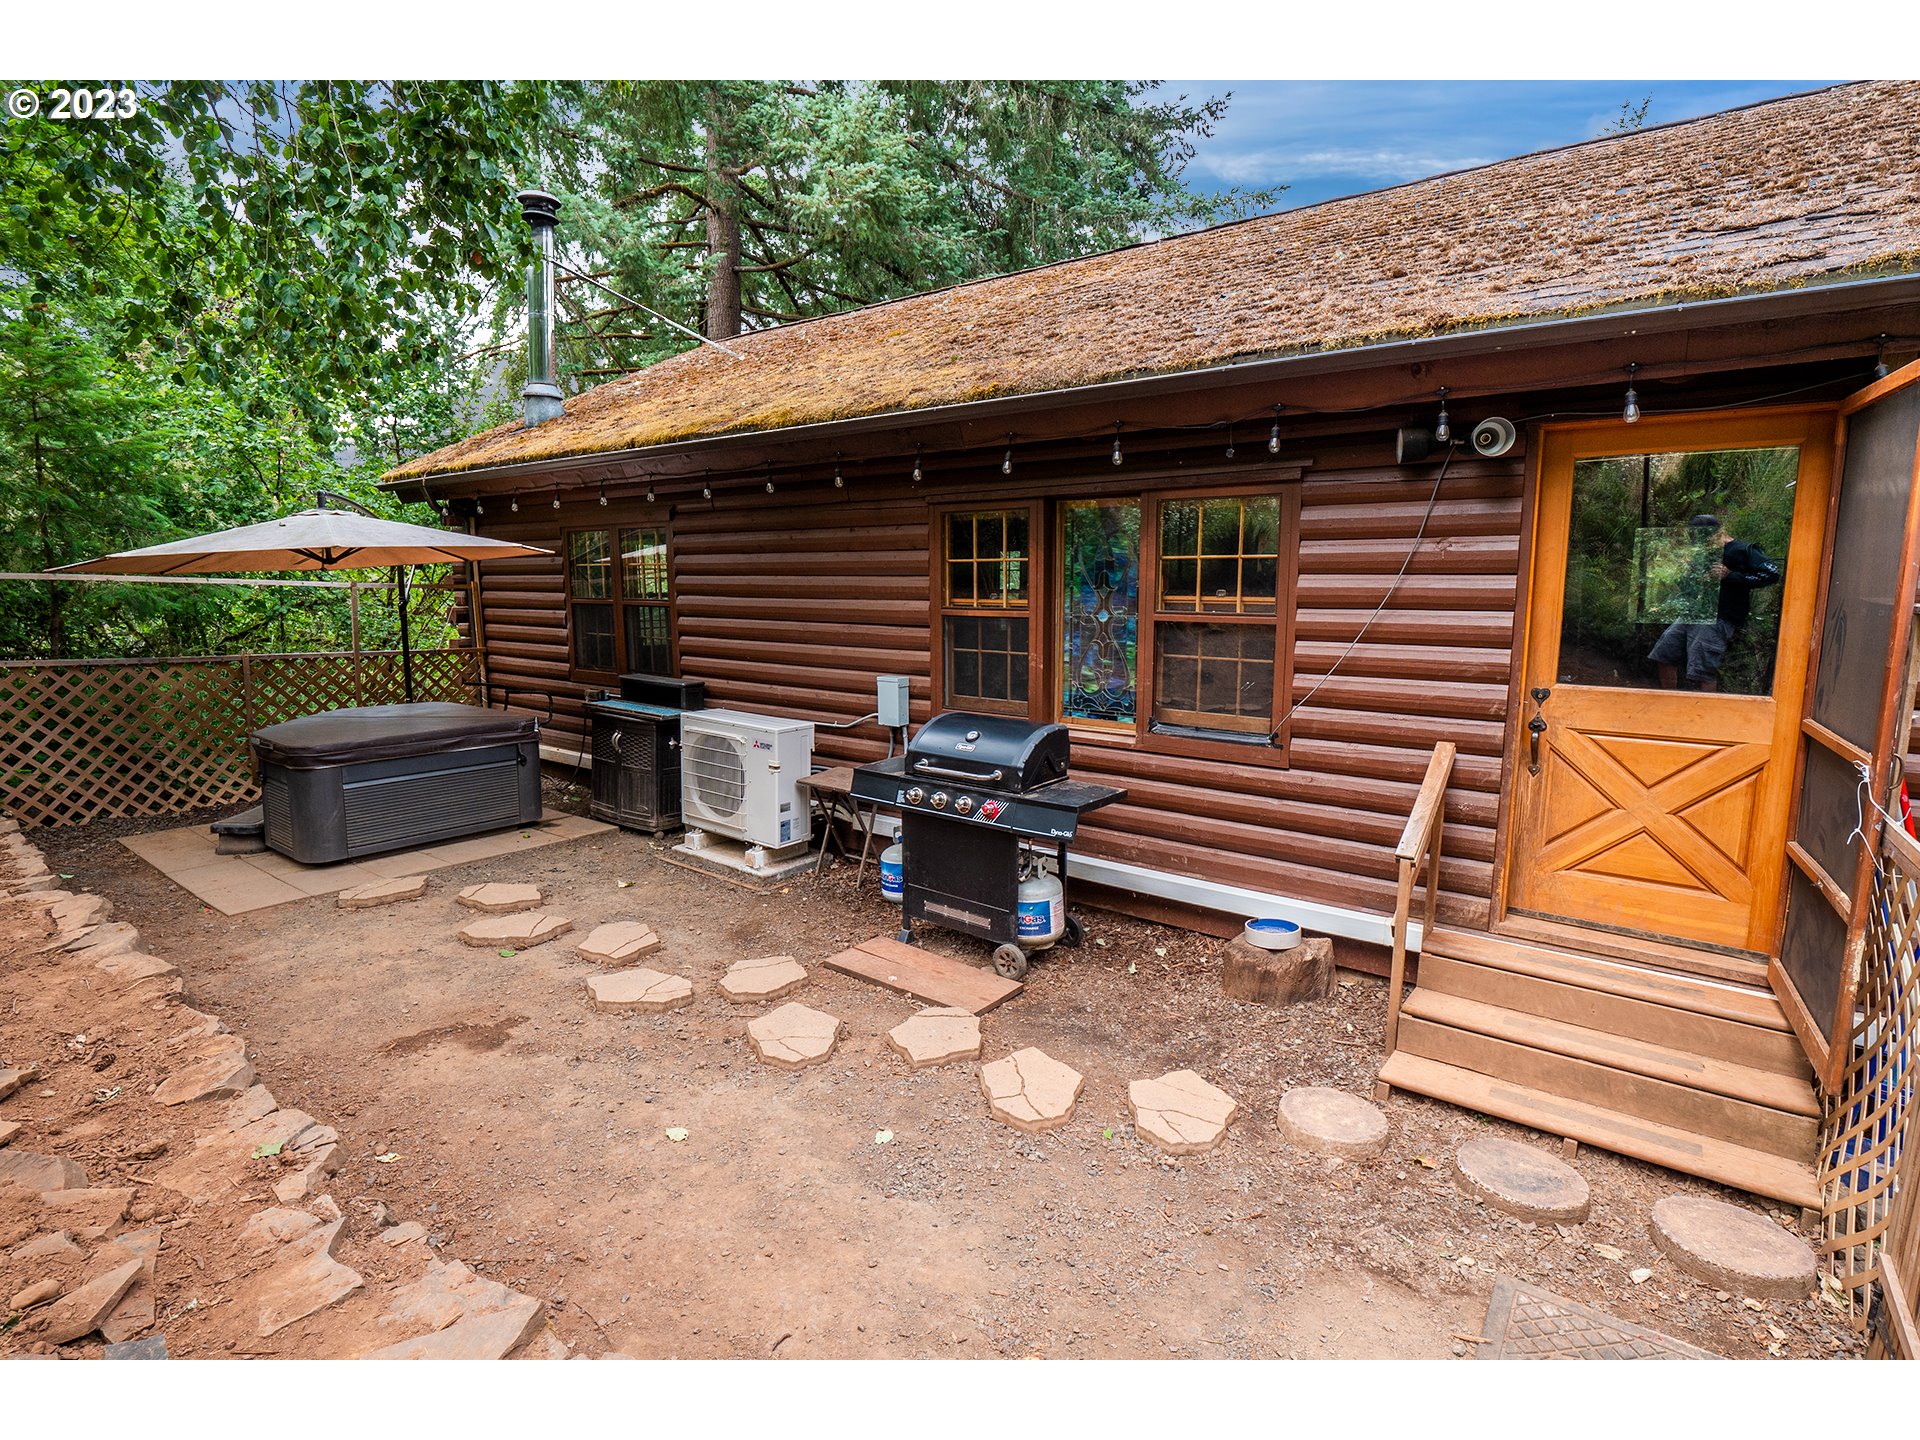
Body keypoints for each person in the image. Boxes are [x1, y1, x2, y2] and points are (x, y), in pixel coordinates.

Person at [1648, 514, 1781, 690]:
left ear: (1719, 533)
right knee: (1663, 654)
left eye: (1706, 539)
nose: (1703, 545)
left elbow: (1772, 573)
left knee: (1702, 670)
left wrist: (1731, 576)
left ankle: (1707, 712)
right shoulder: (1704, 552)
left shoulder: (1742, 550)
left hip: (1719, 617)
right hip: (1694, 612)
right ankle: (1670, 702)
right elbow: (1689, 585)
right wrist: (1687, 572)